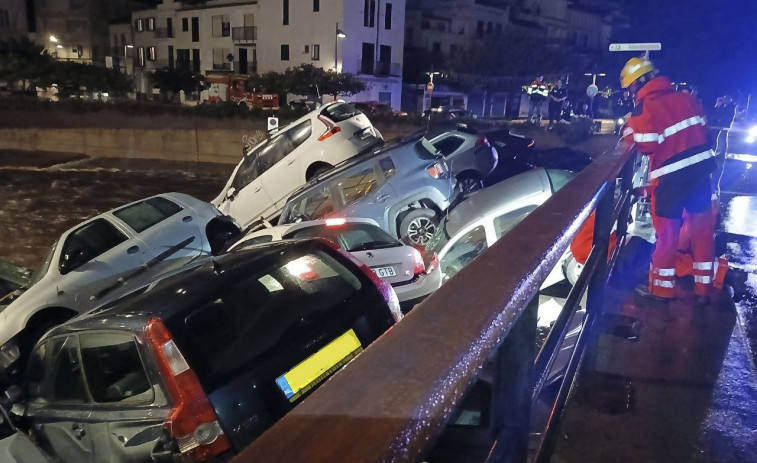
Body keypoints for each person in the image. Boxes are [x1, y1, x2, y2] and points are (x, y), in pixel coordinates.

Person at [619, 57, 718, 305]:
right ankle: (703, 291)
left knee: (667, 236)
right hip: (700, 174)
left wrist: (629, 127)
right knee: (702, 232)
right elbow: (704, 130)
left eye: (631, 87)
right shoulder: (686, 97)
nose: (631, 92)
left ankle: (661, 291)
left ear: (639, 82)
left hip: (671, 180)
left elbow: (648, 145)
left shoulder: (644, 108)